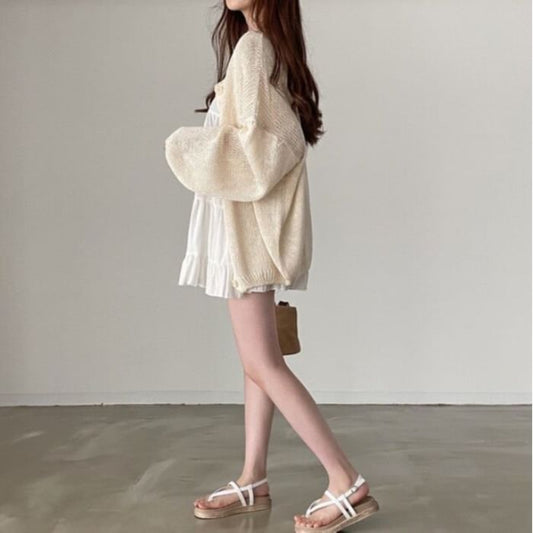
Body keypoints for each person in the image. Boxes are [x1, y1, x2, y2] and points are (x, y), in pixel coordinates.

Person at [164, 1, 380, 531]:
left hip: (245, 237)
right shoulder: (268, 49)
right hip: (249, 232)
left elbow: (264, 154)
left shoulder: (254, 49)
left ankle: (345, 479)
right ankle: (253, 478)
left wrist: (183, 145)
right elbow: (272, 143)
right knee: (257, 361)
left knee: (262, 362)